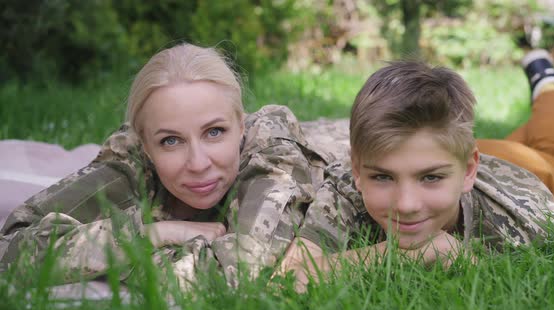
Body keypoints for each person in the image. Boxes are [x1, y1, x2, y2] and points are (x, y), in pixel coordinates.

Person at [0, 43, 339, 288]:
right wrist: (148, 235)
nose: (198, 163)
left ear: (241, 125)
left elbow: (243, 276)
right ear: (145, 145)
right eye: (170, 141)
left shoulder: (272, 154)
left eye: (215, 132)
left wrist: (106, 258)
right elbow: (10, 252)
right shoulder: (132, 162)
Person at [277, 50, 554, 290]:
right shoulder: (348, 186)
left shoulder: (525, 219)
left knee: (553, 148)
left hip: (528, 169)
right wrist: (400, 254)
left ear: (469, 171)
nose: (407, 205)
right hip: (440, 151)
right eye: (382, 177)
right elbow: (283, 282)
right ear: (357, 169)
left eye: (430, 178)